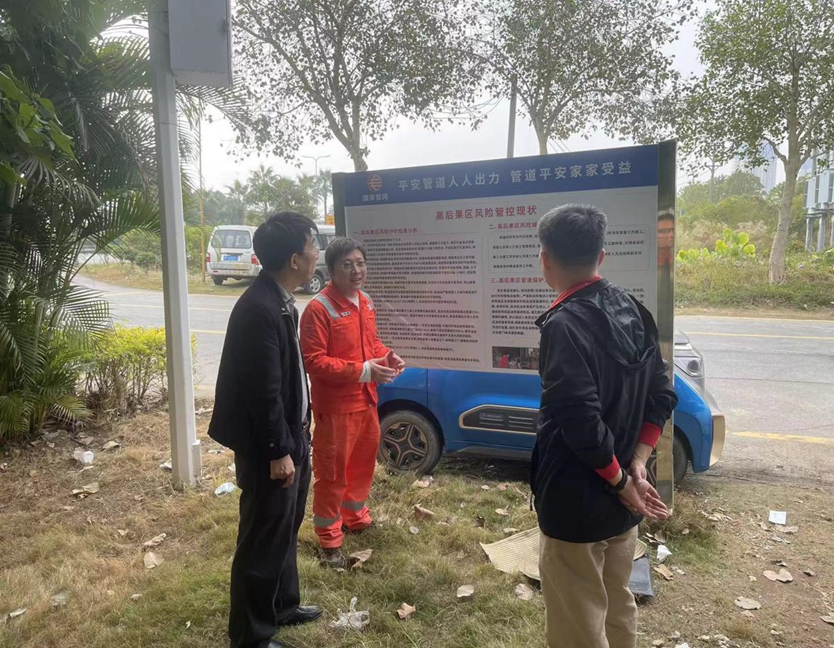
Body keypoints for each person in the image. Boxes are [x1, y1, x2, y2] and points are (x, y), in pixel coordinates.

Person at [532, 204, 678, 648]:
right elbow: (662, 394)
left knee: (578, 622)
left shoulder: (563, 325)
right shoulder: (633, 310)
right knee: (617, 604)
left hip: (578, 499)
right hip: (624, 497)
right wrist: (637, 463)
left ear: (545, 259)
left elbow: (580, 419)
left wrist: (621, 481)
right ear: (601, 255)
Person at [208, 212, 323, 648]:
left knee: (285, 528)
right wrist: (278, 451)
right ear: (294, 259)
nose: (317, 255)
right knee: (262, 540)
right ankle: (251, 636)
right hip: (270, 447)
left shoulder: (279, 300)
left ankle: (282, 605)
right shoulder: (259, 308)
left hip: (292, 437)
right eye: (313, 246)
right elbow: (263, 391)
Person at [299, 237, 405, 568]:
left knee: (361, 467)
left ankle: (354, 517)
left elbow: (370, 343)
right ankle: (330, 539)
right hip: (336, 408)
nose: (356, 271)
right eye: (347, 265)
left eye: (360, 263)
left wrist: (386, 356)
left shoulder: (365, 301)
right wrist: (363, 370)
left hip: (366, 401)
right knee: (332, 474)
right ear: (331, 270)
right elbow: (314, 361)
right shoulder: (318, 309)